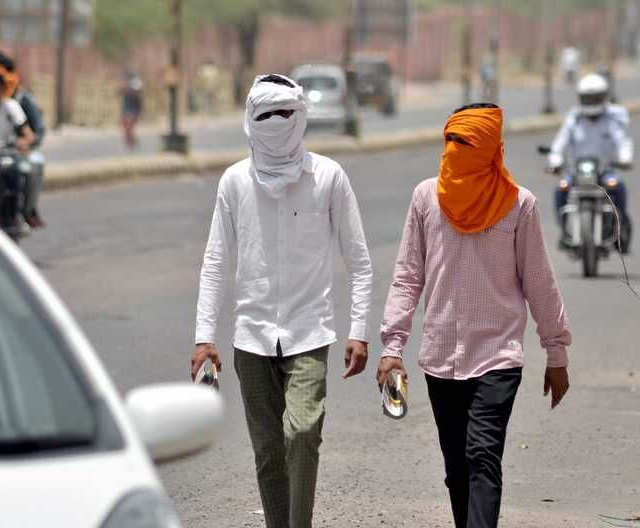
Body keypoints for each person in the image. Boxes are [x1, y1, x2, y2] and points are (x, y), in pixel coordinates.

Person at [378, 103, 572, 528]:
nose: (456, 149)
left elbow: (539, 281)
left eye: (467, 142)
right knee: (457, 469)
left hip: (498, 356)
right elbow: (408, 276)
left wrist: (556, 353)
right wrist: (392, 348)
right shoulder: (425, 197)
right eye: (451, 140)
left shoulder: (520, 205)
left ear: (491, 150)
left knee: (482, 455)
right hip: (440, 357)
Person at [192, 73, 372, 528]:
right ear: (250, 120)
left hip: (309, 332)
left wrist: (359, 331)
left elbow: (360, 260)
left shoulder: (329, 176)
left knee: (303, 432)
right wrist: (203, 338)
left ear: (301, 114)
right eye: (266, 114)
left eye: (284, 113)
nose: (276, 122)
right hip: (251, 337)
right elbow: (216, 261)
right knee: (268, 450)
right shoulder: (234, 182)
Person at [548, 73, 633, 253]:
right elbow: (559, 143)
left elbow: (622, 141)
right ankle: (565, 231)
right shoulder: (574, 119)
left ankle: (621, 226)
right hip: (577, 172)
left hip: (604, 171)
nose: (592, 101)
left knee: (618, 187)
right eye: (588, 97)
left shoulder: (611, 120)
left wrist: (626, 158)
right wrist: (555, 160)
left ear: (603, 97)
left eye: (595, 97)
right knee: (560, 189)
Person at [0, 50, 47, 227]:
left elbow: (36, 131)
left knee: (35, 164)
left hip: (15, 152)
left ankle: (27, 209)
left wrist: (26, 142)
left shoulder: (19, 100)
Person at [120, 70, 143, 150]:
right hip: (126, 110)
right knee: (126, 127)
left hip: (133, 110)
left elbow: (139, 100)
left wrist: (139, 113)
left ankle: (130, 142)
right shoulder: (125, 87)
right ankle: (129, 142)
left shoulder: (135, 84)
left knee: (129, 127)